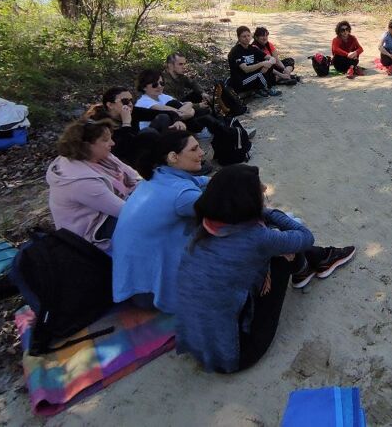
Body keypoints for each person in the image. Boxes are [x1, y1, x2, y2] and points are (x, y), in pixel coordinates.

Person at [175, 165, 356, 373]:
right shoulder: (255, 237)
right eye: (257, 187)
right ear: (246, 200)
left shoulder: (206, 226)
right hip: (236, 354)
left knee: (278, 247)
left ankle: (311, 264)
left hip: (197, 344)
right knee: (284, 253)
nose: (264, 188)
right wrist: (267, 212)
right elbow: (305, 237)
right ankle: (315, 262)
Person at [111, 130, 208, 312]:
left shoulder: (158, 175)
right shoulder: (182, 195)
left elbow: (198, 181)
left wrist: (215, 181)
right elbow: (231, 211)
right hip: (150, 294)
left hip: (132, 284)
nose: (202, 153)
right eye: (194, 149)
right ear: (173, 157)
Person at [47, 119, 139, 251]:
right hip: (89, 236)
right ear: (87, 145)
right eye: (105, 140)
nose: (112, 143)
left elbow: (135, 177)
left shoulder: (101, 157)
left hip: (105, 214)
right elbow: (127, 212)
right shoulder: (81, 181)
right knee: (149, 224)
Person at [227, 26, 280, 98]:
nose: (247, 38)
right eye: (244, 36)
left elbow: (272, 58)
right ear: (239, 38)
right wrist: (262, 64)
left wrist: (267, 64)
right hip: (241, 80)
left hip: (250, 77)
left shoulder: (252, 48)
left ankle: (258, 89)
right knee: (260, 73)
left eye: (248, 35)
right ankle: (267, 89)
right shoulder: (236, 51)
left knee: (268, 65)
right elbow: (246, 69)